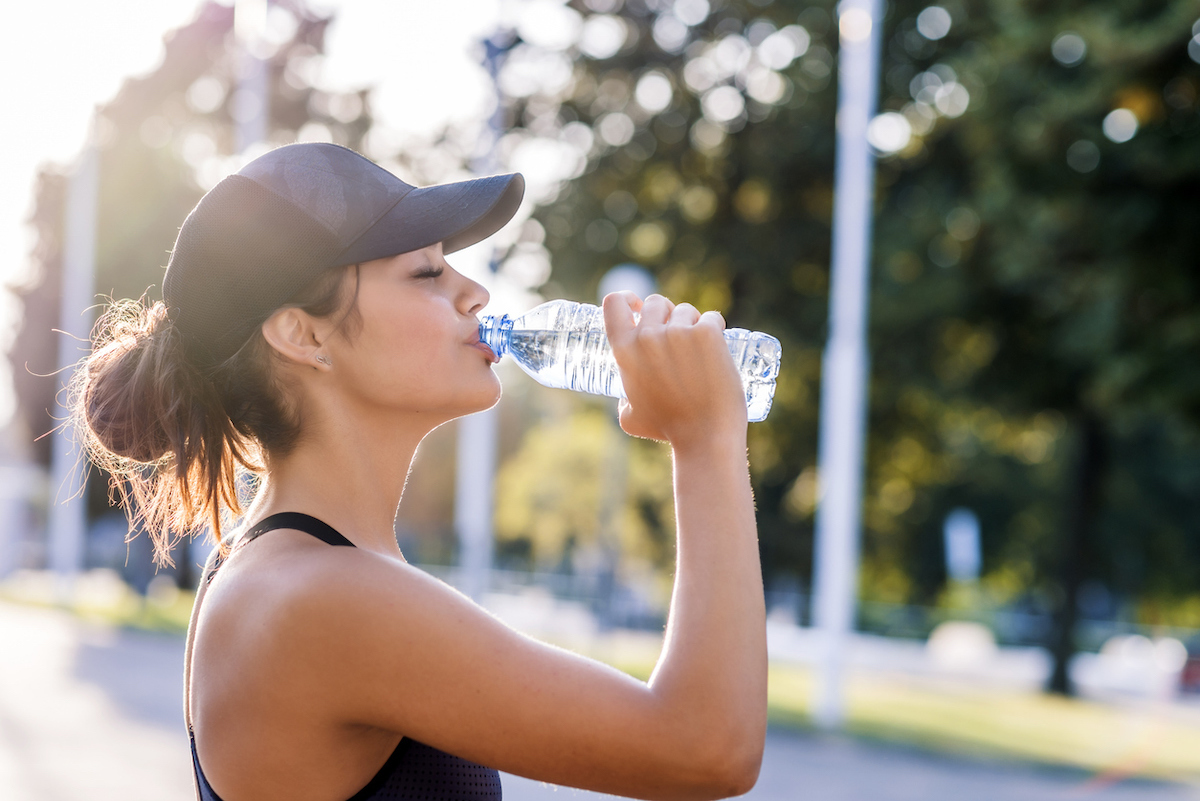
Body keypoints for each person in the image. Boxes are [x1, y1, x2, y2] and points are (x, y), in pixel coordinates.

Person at [75, 142, 766, 801]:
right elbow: (705, 747)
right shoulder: (320, 597)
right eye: (429, 272)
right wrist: (705, 439)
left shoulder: (290, 569)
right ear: (302, 334)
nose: (476, 295)